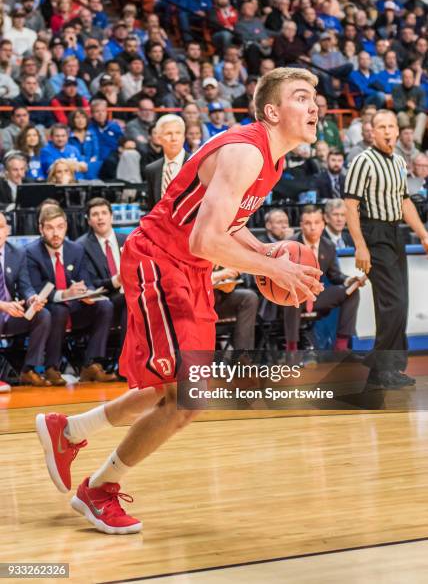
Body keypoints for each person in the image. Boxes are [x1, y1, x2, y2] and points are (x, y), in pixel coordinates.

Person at [35, 67, 323, 534]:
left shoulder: (271, 161)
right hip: (159, 260)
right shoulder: (245, 153)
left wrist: (265, 251)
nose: (314, 106)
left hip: (186, 269)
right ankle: (98, 488)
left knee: (173, 390)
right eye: (302, 97)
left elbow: (225, 224)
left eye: (316, 98)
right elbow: (205, 240)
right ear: (272, 111)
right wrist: (275, 268)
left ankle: (69, 432)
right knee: (188, 398)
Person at [344, 110, 428, 388]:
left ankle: (390, 370)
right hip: (373, 232)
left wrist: (423, 233)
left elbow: (405, 202)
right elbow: (350, 206)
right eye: (382, 127)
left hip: (394, 233)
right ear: (372, 131)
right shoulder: (362, 161)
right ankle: (378, 369)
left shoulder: (398, 162)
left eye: (392, 126)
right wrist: (360, 246)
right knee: (394, 303)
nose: (388, 131)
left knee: (397, 304)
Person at [26, 205, 117, 385]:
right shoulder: (31, 252)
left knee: (105, 305)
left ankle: (91, 364)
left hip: (74, 308)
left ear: (66, 226)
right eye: (50, 228)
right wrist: (64, 294)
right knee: (59, 310)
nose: (55, 233)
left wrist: (87, 293)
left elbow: (85, 280)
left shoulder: (75, 249)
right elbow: (36, 287)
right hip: (49, 307)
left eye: (60, 227)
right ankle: (52, 367)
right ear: (41, 229)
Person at [283, 206, 362, 354]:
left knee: (352, 292)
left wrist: (349, 280)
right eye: (307, 223)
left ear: (323, 224)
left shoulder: (328, 245)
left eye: (316, 222)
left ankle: (341, 346)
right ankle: (291, 349)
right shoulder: (289, 245)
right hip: (292, 295)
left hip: (316, 296)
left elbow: (335, 276)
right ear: (301, 225)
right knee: (293, 294)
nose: (313, 227)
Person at [0, 212, 52, 389]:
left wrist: (32, 298)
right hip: (2, 308)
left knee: (42, 314)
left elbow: (25, 286)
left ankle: (29, 370)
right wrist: (3, 306)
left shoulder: (16, 253)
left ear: (7, 230)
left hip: (12, 312)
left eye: (1, 227)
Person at [78, 198, 127, 348]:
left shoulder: (127, 240)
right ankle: (126, 362)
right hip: (103, 298)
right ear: (89, 221)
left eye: (104, 213)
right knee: (130, 301)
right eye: (95, 214)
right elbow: (91, 283)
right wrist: (116, 280)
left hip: (128, 294)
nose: (100, 217)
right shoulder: (81, 246)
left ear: (111, 217)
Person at [144, 114, 189, 209]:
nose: (174, 138)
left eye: (178, 133)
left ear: (184, 137)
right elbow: (152, 209)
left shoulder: (197, 164)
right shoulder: (151, 170)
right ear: (159, 138)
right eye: (169, 133)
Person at [68, 109, 101, 180]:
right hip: (74, 166)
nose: (81, 120)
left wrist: (88, 164)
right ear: (72, 120)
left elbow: (96, 153)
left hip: (90, 166)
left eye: (83, 117)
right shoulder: (68, 136)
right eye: (77, 118)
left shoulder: (92, 134)